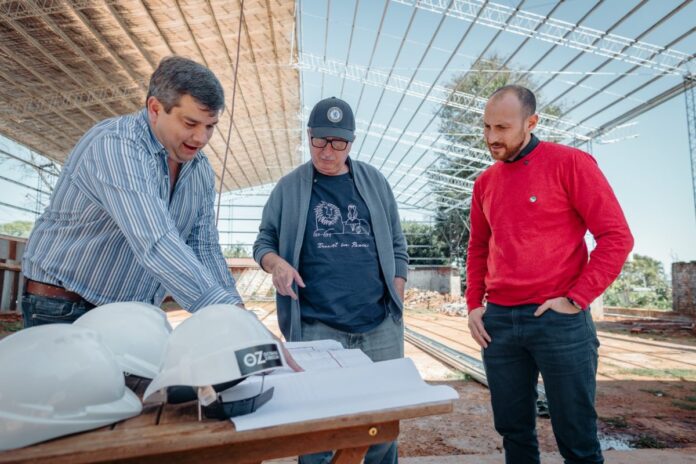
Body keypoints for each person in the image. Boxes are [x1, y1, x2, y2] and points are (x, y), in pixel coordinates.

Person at [466, 85, 634, 464]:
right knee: (514, 434)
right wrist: (474, 304)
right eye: (487, 127)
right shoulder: (485, 182)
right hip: (500, 325)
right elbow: (478, 248)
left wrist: (576, 298)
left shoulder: (570, 163)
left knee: (577, 439)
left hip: (559, 321)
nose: (492, 137)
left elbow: (617, 237)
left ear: (532, 122)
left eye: (503, 128)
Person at [21, 56, 244, 326]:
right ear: (155, 108)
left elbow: (203, 246)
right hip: (65, 305)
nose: (201, 138)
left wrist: (237, 312)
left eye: (210, 126)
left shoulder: (200, 170)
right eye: (190, 123)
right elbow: (155, 241)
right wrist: (228, 314)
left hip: (129, 313)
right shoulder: (116, 145)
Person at [253, 96, 408, 464]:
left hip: (379, 326)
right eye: (319, 140)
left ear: (351, 142)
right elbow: (263, 242)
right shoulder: (289, 188)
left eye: (338, 143)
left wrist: (397, 288)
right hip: (317, 328)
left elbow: (398, 243)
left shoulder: (375, 182)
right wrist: (276, 264)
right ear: (308, 135)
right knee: (317, 430)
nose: (326, 151)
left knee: (382, 427)